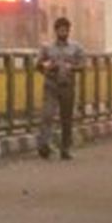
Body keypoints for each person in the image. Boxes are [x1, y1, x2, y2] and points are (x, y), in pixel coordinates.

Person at [37, 17, 85, 160]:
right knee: (47, 115)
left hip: (67, 86)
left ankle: (65, 148)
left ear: (69, 31)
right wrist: (47, 67)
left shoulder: (76, 48)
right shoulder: (47, 48)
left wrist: (72, 67)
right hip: (51, 85)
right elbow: (38, 65)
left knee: (66, 119)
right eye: (60, 30)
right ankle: (44, 145)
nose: (63, 32)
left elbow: (83, 65)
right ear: (56, 31)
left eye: (65, 30)